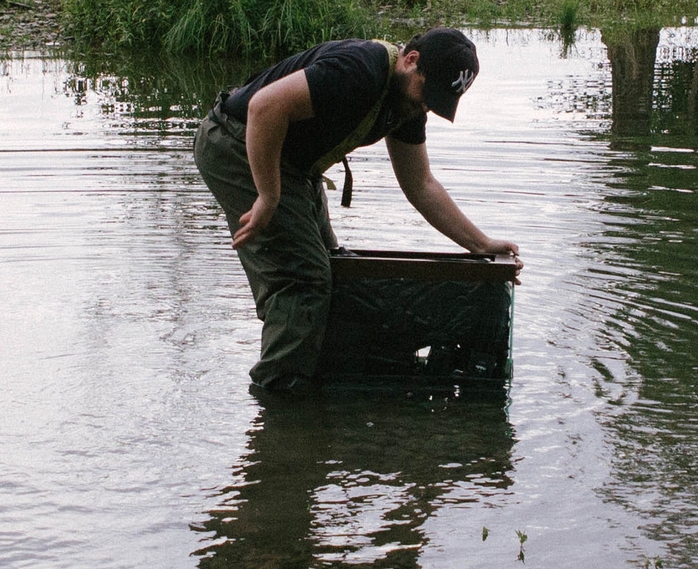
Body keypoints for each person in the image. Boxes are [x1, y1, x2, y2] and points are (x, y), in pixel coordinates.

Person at [193, 29, 521, 396]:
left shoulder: (408, 104)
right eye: (427, 94)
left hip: (293, 164)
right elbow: (264, 108)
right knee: (303, 279)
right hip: (237, 145)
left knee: (333, 269)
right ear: (410, 60)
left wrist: (480, 244)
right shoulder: (359, 70)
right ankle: (277, 402)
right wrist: (268, 197)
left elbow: (421, 185)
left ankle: (317, 381)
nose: (425, 107)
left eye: (437, 102)